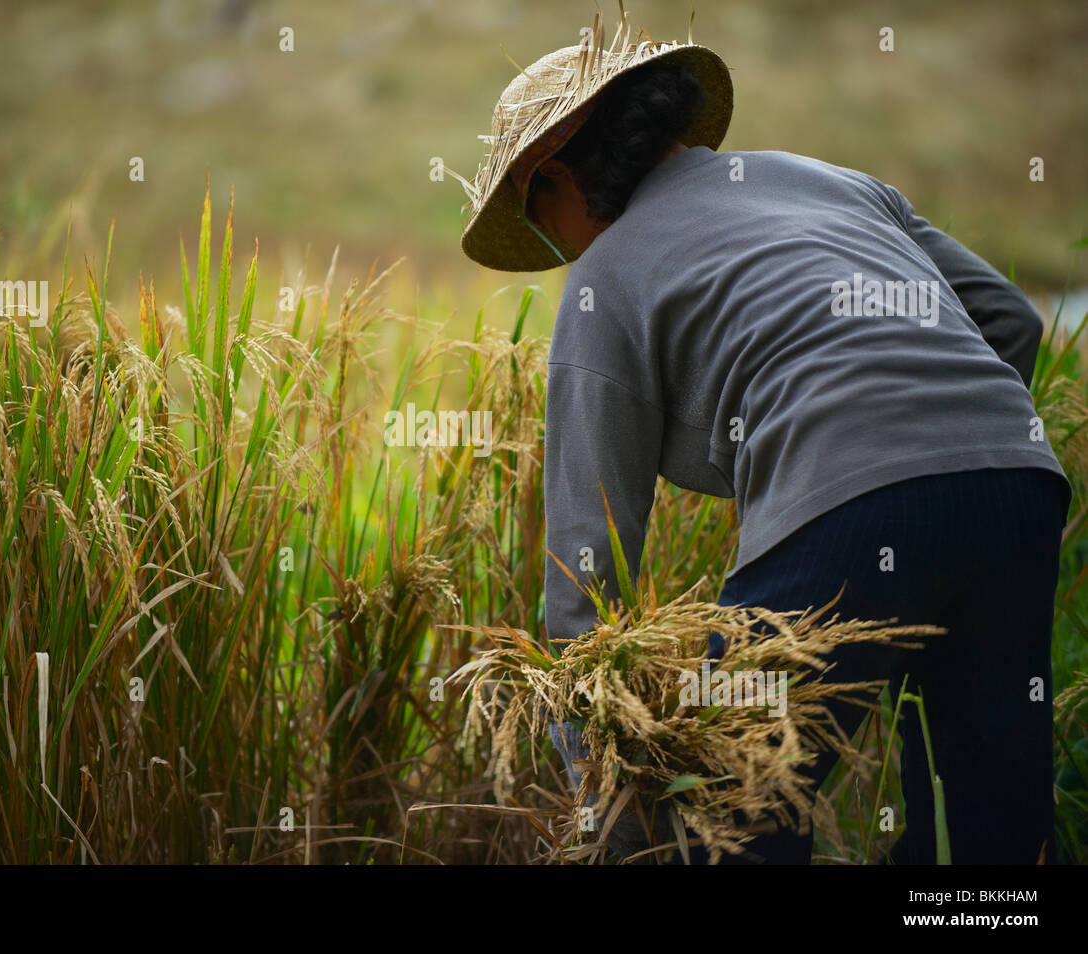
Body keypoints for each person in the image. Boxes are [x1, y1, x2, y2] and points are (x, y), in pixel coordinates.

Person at [456, 12, 1072, 864]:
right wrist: (942, 449)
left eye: (536, 218)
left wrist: (597, 781)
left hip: (850, 499)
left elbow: (588, 566)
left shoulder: (605, 277)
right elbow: (1009, 319)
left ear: (558, 175)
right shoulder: (835, 182)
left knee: (721, 808)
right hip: (1016, 477)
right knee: (984, 831)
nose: (552, 247)